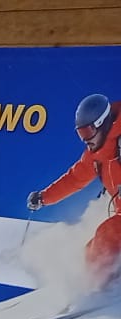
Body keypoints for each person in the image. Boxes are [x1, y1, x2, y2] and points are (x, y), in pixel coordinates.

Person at [29, 93, 121, 281]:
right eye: (81, 134)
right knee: (92, 253)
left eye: (87, 132)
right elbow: (74, 179)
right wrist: (44, 197)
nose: (85, 140)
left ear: (103, 123)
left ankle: (100, 289)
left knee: (107, 235)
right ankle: (91, 290)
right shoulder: (96, 156)